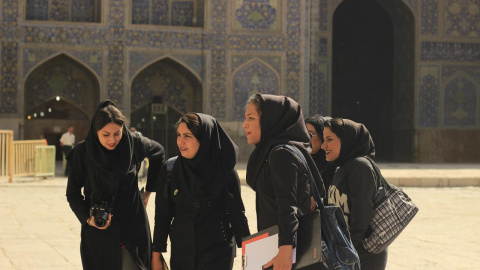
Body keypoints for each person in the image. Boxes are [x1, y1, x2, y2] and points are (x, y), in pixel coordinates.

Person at [66, 100, 166, 270]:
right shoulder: (83, 152)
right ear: (95, 131)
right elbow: (73, 193)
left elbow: (159, 152)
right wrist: (88, 219)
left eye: (117, 133)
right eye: (105, 135)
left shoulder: (133, 144)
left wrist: (149, 191)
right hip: (99, 230)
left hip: (132, 227)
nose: (112, 140)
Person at [152, 113, 250, 270]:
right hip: (182, 254)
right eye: (178, 135)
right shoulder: (170, 170)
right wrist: (156, 254)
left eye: (187, 136)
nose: (180, 141)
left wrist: (249, 253)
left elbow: (237, 214)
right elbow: (162, 216)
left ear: (204, 139)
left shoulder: (224, 172)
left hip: (218, 254)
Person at [243, 94, 325, 269]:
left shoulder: (281, 154)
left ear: (271, 120)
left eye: (251, 118)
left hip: (286, 253)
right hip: (279, 247)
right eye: (245, 118)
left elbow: (287, 206)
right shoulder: (282, 151)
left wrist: (285, 251)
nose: (245, 124)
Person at [321, 118, 387, 270]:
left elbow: (362, 216)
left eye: (329, 140)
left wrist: (346, 251)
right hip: (346, 252)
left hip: (362, 256)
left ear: (346, 140)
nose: (324, 145)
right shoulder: (341, 167)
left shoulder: (360, 167)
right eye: (324, 140)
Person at [305, 115, 336, 189]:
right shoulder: (304, 161)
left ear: (322, 136)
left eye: (310, 134)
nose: (306, 139)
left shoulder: (332, 165)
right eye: (304, 134)